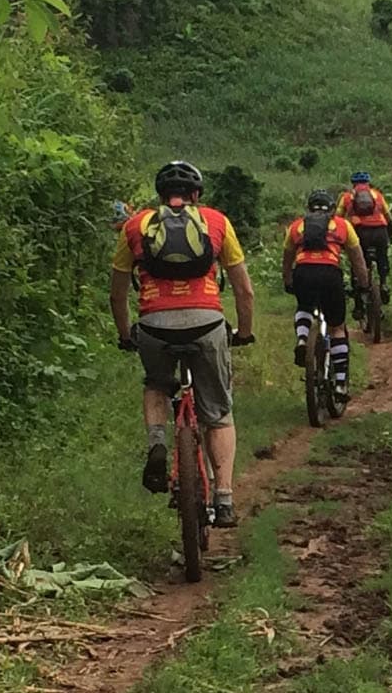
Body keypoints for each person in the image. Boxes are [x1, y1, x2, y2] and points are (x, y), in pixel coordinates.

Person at [110, 160, 256, 528]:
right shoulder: (217, 222)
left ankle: (158, 441)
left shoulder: (135, 225)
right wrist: (243, 332)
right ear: (196, 195)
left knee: (157, 383)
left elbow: (117, 293)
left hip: (154, 324)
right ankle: (223, 499)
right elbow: (244, 289)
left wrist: (127, 334)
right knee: (219, 413)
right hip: (206, 322)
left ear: (160, 194)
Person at [282, 188, 381, 400]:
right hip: (330, 273)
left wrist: (288, 280)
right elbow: (357, 258)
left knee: (304, 307)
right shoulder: (343, 225)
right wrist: (363, 285)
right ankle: (341, 385)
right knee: (337, 328)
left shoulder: (296, 226)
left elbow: (287, 256)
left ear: (308, 208)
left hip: (303, 271)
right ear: (332, 209)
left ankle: (301, 339)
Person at [339, 170, 392, 305]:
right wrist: (389, 237)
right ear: (368, 183)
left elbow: (337, 218)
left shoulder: (347, 197)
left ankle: (358, 302)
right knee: (382, 257)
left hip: (360, 232)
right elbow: (390, 220)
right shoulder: (378, 196)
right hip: (380, 231)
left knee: (357, 261)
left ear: (353, 184)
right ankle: (383, 283)